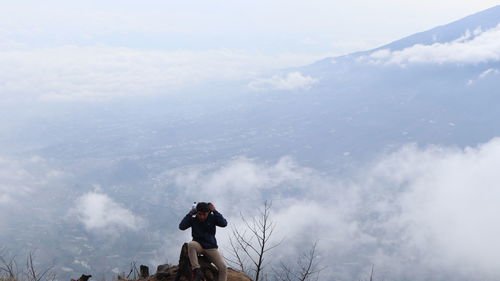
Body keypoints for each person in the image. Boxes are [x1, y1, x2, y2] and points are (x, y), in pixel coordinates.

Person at [179, 202, 228, 281]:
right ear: (196, 212)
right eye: (199, 214)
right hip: (198, 245)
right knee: (191, 244)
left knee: (223, 267)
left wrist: (215, 211)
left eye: (204, 214)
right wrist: (190, 214)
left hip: (211, 247)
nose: (202, 216)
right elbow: (181, 227)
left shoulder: (212, 218)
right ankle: (196, 270)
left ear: (208, 212)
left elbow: (224, 223)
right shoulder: (194, 219)